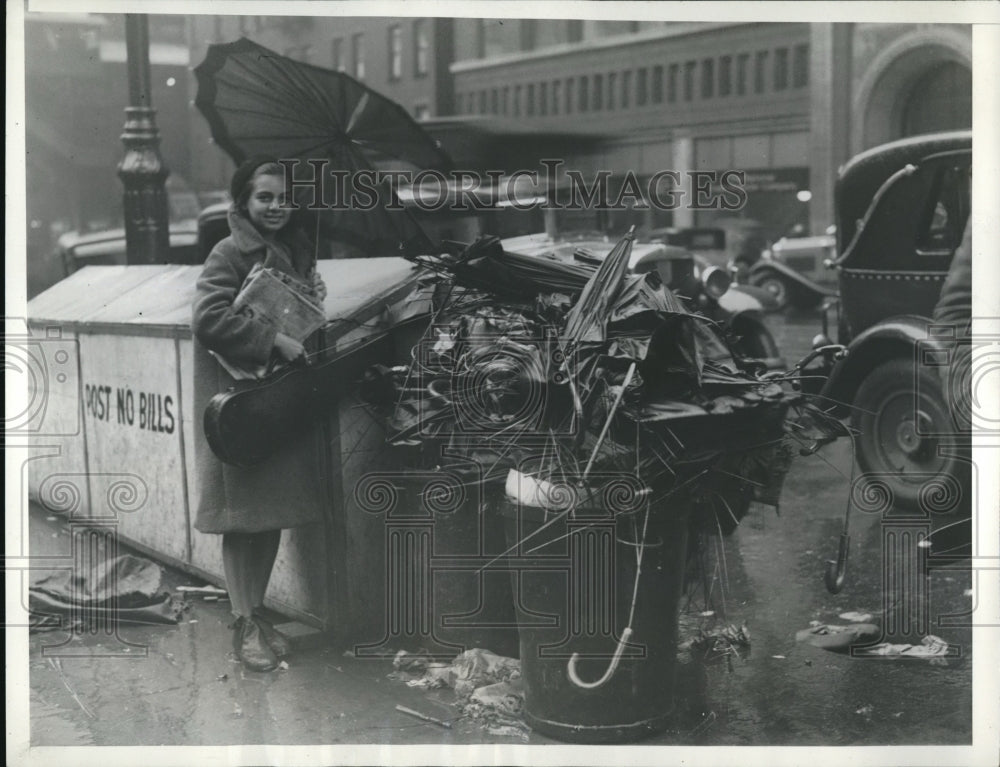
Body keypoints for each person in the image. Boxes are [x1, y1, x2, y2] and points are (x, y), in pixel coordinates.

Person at [191, 157, 327, 672]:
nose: (277, 206)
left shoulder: (295, 254)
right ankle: (244, 621)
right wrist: (276, 340)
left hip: (272, 405)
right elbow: (207, 318)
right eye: (265, 197)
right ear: (244, 201)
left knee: (268, 516)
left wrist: (310, 304)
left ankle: (257, 613)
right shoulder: (229, 252)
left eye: (284, 198)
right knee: (242, 521)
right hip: (238, 406)